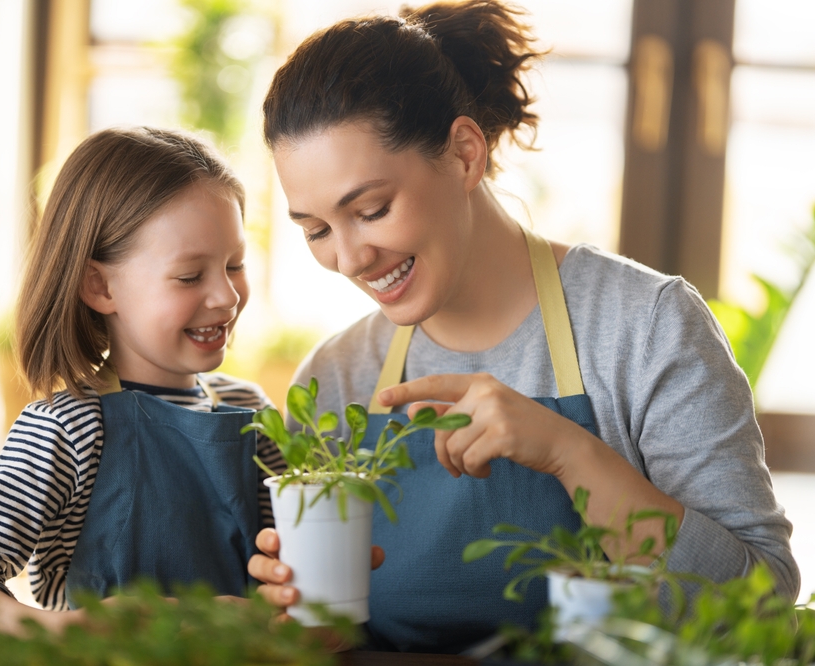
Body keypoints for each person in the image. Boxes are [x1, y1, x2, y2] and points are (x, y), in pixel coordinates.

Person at [248, 0, 800, 653]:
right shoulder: (338, 378)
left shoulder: (644, 329)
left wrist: (571, 455)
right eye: (315, 230)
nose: (348, 257)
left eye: (371, 209)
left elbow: (761, 604)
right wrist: (299, 620)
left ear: (464, 154)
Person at [0, 127, 285, 634]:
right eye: (191, 276)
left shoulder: (253, 411)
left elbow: (292, 574)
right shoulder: (68, 428)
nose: (227, 296)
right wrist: (78, 629)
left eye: (235, 265)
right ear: (99, 285)